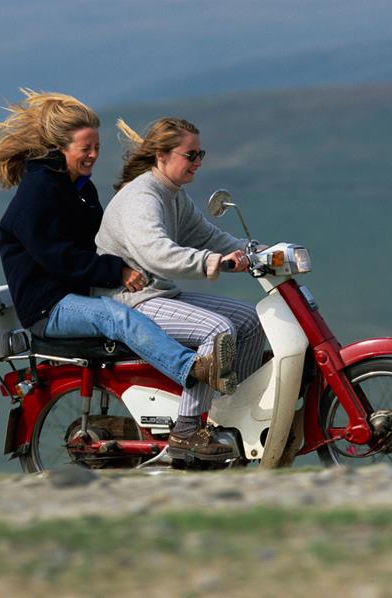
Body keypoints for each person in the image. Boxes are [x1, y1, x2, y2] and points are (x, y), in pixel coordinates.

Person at [0, 90, 234, 399]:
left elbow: (98, 242)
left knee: (128, 310)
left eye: (97, 147)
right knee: (116, 316)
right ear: (60, 147)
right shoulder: (38, 193)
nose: (93, 155)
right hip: (50, 307)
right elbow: (61, 259)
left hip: (78, 293)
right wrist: (118, 272)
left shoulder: (81, 190)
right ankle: (190, 368)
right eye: (85, 148)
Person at [95, 116, 266, 462]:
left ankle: (227, 414)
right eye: (190, 155)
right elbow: (155, 253)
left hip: (158, 294)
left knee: (249, 318)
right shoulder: (142, 197)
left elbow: (209, 237)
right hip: (130, 302)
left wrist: (260, 252)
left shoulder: (173, 195)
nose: (198, 162)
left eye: (200, 154)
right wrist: (211, 262)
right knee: (218, 331)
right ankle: (187, 430)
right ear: (162, 155)